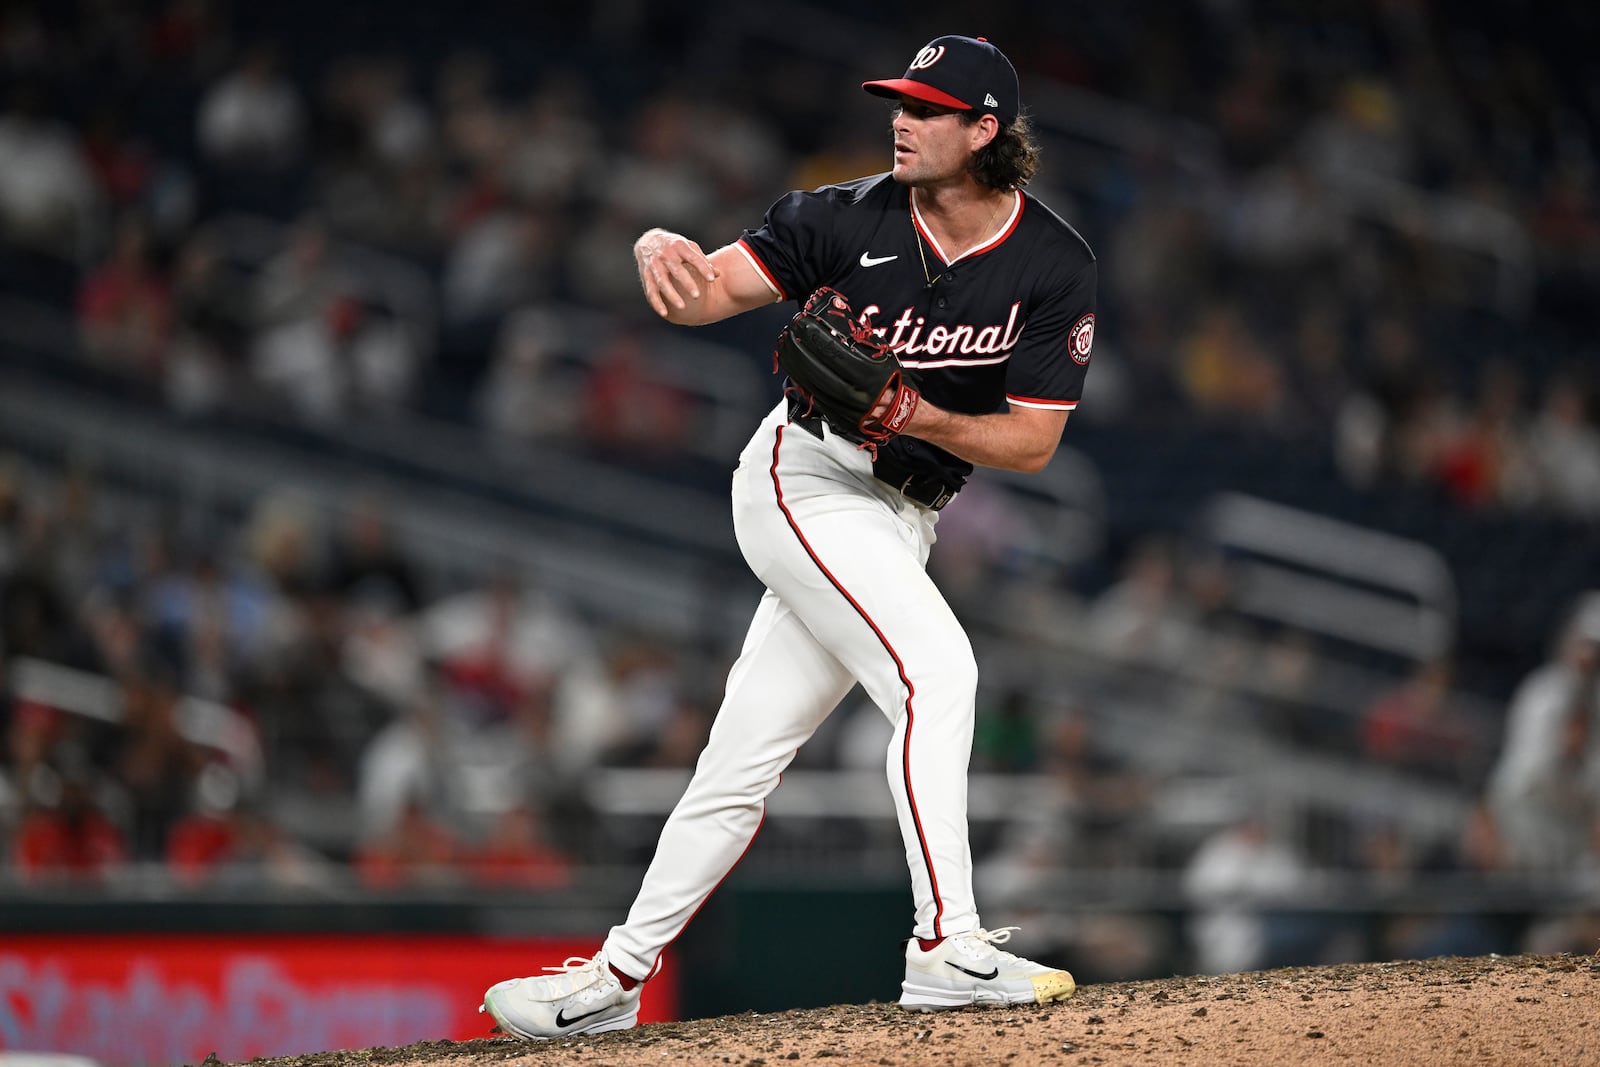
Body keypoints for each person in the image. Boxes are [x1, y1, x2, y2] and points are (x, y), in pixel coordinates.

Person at [482, 34, 1096, 1039]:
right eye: (898, 101)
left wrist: (920, 418)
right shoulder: (836, 215)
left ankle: (613, 976)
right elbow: (709, 290)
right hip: (801, 477)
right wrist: (657, 250)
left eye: (928, 108)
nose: (901, 119)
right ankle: (946, 942)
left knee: (741, 758)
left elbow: (1030, 441)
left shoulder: (1052, 262)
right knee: (938, 673)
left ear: (984, 130)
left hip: (905, 512)